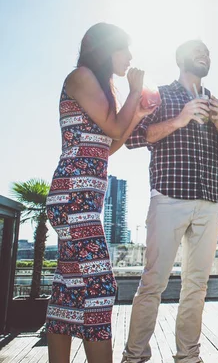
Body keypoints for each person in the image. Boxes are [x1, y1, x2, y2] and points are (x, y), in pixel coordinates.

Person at [45, 22, 151, 363]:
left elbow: (109, 144)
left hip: (83, 199)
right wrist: (135, 91)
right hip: (72, 197)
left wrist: (139, 114)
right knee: (100, 288)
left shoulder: (101, 88)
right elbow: (115, 126)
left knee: (69, 289)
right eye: (125, 49)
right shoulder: (81, 76)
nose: (131, 57)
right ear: (106, 49)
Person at [122, 39, 218, 363]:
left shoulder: (215, 103)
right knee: (153, 282)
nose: (205, 56)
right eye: (199, 52)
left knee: (196, 286)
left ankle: (188, 357)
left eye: (208, 53)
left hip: (209, 202)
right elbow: (134, 138)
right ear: (182, 59)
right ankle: (135, 356)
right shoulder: (162, 94)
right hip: (169, 198)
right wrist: (180, 119)